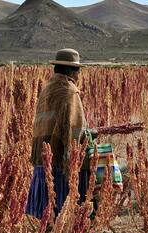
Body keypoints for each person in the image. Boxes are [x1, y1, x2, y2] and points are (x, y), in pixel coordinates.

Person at [26, 48, 97, 219]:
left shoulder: (47, 89)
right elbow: (74, 131)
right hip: (60, 160)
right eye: (78, 70)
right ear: (71, 71)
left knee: (47, 204)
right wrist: (90, 134)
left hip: (44, 156)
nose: (79, 74)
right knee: (64, 199)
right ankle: (71, 228)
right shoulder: (70, 91)